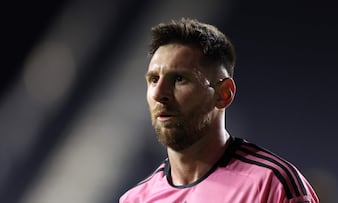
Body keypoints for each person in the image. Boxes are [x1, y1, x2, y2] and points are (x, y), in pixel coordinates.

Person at [119, 18, 319, 203]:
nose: (159, 94)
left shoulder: (272, 186)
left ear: (224, 94)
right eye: (154, 80)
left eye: (179, 79)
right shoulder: (135, 199)